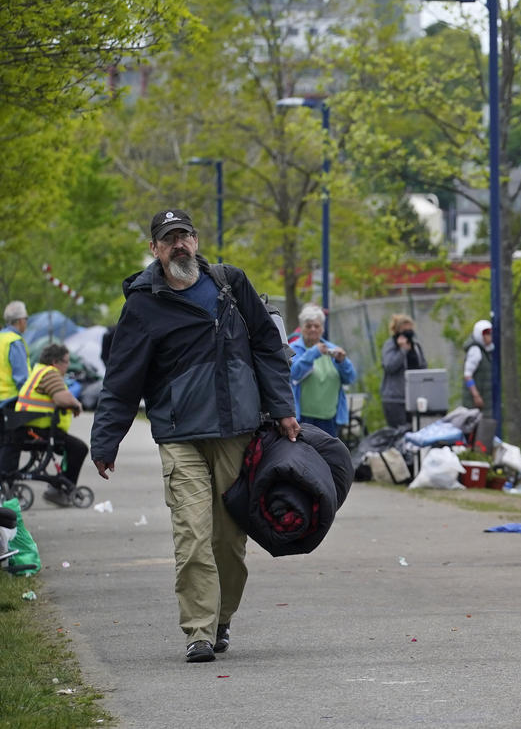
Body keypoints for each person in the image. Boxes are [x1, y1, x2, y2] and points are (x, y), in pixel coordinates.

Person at [90, 208, 301, 664]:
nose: (179, 244)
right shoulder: (142, 305)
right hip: (179, 435)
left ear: (197, 240)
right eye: (169, 240)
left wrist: (283, 409)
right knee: (192, 533)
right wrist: (106, 441)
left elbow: (267, 346)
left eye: (185, 236)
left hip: (235, 432)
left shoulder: (230, 284)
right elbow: (122, 379)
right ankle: (199, 631)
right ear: (155, 250)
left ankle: (221, 617)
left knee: (229, 540)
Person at [13, 342, 87, 507]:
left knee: (72, 446)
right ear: (55, 362)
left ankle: (58, 488)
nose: (68, 366)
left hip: (29, 428)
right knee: (79, 448)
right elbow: (62, 398)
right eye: (66, 361)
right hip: (38, 430)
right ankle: (59, 490)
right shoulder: (50, 373)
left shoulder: (38, 370)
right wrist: (76, 405)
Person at [289, 304, 357, 438]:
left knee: (327, 456)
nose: (313, 329)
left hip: (330, 419)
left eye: (317, 326)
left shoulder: (332, 350)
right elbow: (293, 374)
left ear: (322, 329)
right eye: (308, 326)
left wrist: (342, 362)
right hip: (302, 418)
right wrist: (313, 353)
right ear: (301, 328)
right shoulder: (293, 349)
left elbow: (350, 378)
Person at [0, 300, 30, 484]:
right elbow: (21, 378)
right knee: (11, 444)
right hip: (11, 401)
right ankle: (7, 486)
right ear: (19, 321)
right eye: (26, 318)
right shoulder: (14, 342)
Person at [380, 313, 426, 428]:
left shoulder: (416, 346)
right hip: (395, 399)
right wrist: (402, 351)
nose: (409, 332)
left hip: (415, 397)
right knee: (399, 432)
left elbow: (423, 366)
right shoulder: (390, 345)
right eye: (405, 330)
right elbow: (389, 366)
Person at [462, 319, 494, 412]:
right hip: (475, 404)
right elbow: (468, 376)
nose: (489, 337)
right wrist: (476, 395)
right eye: (486, 334)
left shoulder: (487, 350)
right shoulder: (475, 351)